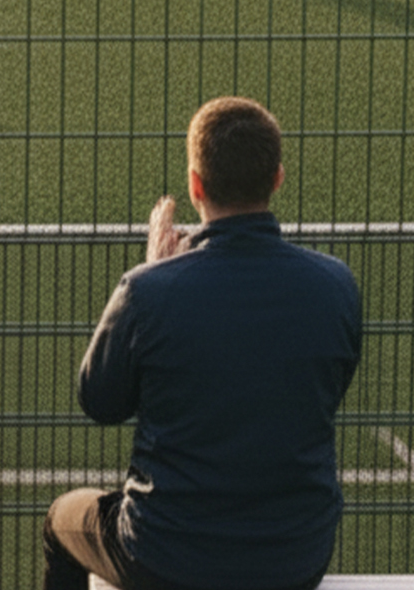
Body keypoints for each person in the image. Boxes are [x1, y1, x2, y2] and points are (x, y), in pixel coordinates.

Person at [42, 97, 363, 590]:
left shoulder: (147, 292)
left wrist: (152, 271)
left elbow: (99, 400)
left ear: (195, 185)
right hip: (296, 557)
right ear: (277, 178)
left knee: (60, 520)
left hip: (164, 557)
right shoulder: (336, 286)